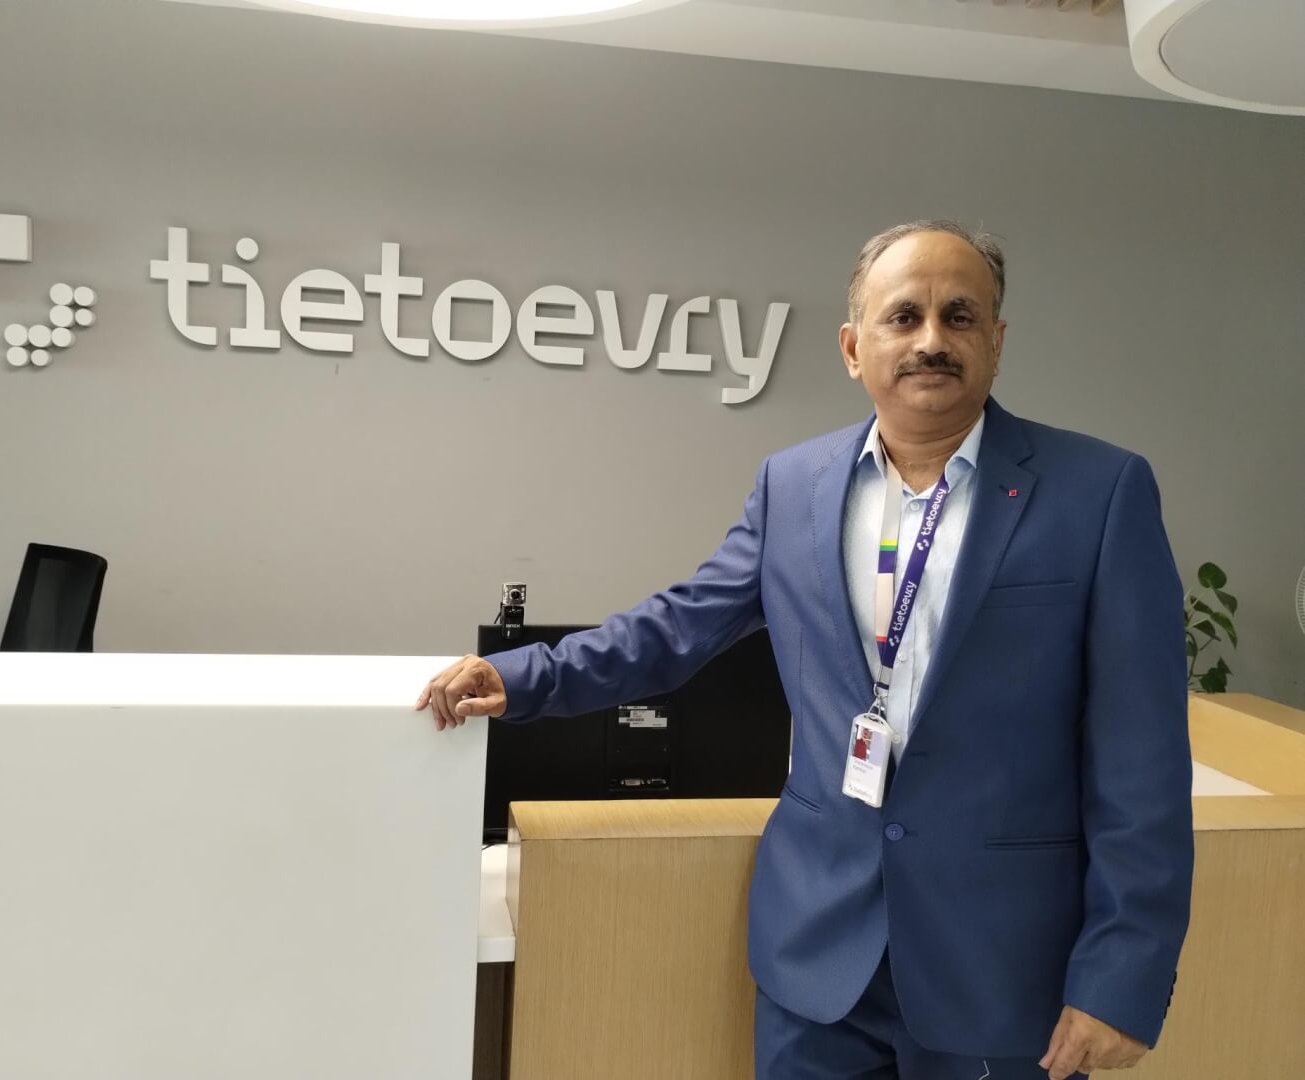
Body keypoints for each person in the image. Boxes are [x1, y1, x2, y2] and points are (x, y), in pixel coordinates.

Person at [416, 221, 1192, 1080]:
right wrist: (521, 676)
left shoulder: (1099, 493)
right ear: (854, 348)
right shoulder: (793, 485)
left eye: (960, 316)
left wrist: (1123, 973)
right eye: (904, 316)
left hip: (1003, 970)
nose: (932, 339)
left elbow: (1143, 758)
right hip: (819, 960)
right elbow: (678, 626)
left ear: (997, 342)